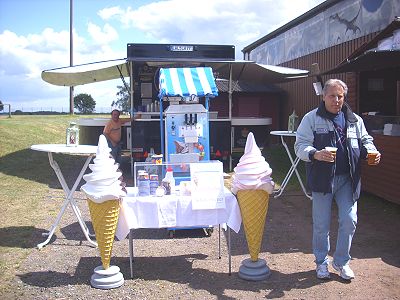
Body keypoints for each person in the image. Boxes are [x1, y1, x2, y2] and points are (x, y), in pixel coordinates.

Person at [294, 79, 381, 280]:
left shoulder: (354, 120)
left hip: (348, 179)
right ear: (323, 97)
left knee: (349, 220)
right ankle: (321, 262)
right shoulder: (311, 118)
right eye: (332, 96)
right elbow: (300, 146)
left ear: (344, 97)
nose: (336, 100)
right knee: (321, 224)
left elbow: (366, 140)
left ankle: (341, 262)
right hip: (322, 180)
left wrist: (372, 151)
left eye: (339, 96)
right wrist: (315, 153)